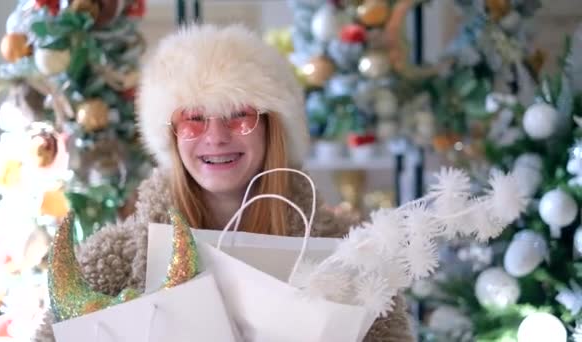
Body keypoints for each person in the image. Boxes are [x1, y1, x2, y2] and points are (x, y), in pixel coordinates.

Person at [34, 24, 414, 341]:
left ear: (272, 127)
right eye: (194, 118)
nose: (215, 137)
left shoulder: (349, 259)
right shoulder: (110, 262)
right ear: (170, 134)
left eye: (238, 116)